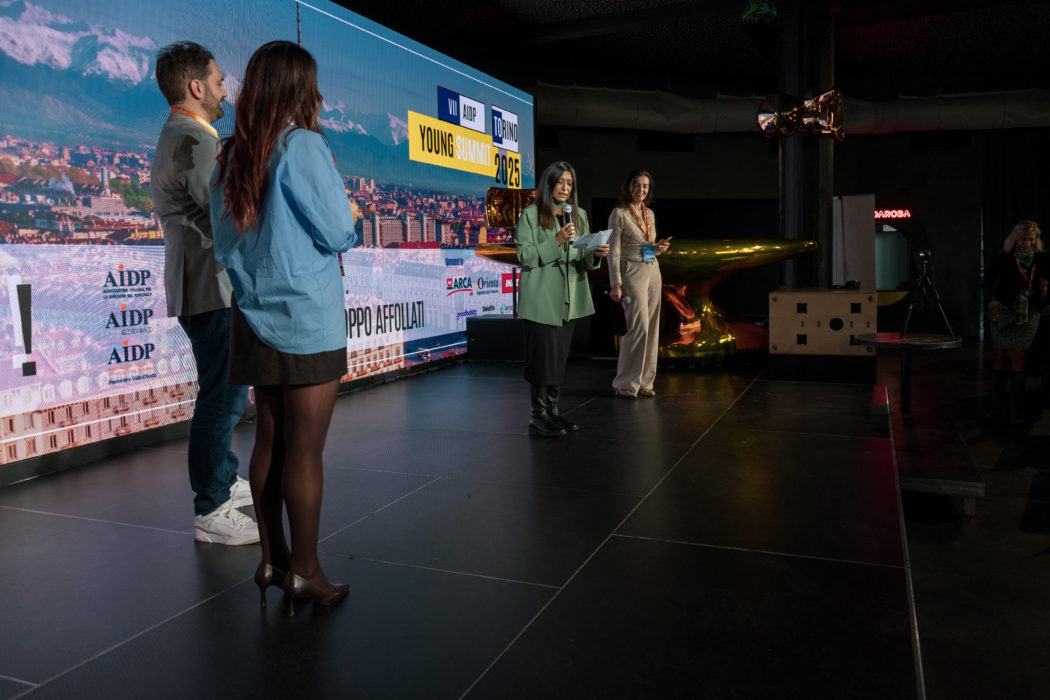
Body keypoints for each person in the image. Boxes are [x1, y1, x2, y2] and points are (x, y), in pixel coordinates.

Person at [210, 41, 357, 613]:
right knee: (306, 452)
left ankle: (272, 561)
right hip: (305, 318)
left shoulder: (231, 155)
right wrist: (351, 214)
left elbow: (225, 244)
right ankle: (307, 572)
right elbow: (338, 232)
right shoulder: (303, 146)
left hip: (251, 317)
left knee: (269, 441)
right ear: (299, 88)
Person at [150, 42, 256, 545]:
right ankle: (211, 507)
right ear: (196, 87)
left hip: (204, 285)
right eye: (217, 82)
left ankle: (223, 480)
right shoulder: (193, 140)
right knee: (222, 398)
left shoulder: (182, 135)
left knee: (223, 393)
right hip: (210, 287)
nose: (224, 92)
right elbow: (229, 215)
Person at [514, 161, 609, 437]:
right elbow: (525, 256)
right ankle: (538, 416)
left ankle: (553, 412)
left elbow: (583, 258)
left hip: (569, 298)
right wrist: (555, 241)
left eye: (570, 183)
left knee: (558, 359)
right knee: (542, 360)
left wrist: (595, 253)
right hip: (541, 299)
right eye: (560, 182)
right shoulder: (531, 214)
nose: (565, 187)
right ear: (549, 183)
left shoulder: (578, 215)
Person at [607, 170, 671, 398]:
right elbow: (614, 251)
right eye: (637, 185)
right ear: (628, 187)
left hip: (652, 270)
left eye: (645, 186)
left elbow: (647, 246)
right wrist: (616, 283)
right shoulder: (619, 213)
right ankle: (624, 383)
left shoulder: (650, 213)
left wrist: (657, 249)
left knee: (652, 328)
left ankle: (644, 382)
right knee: (639, 327)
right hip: (631, 271)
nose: (641, 190)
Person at [985, 220, 1047, 425]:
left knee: (1019, 356)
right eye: (1022, 239)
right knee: (1001, 356)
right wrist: (991, 300)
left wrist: (1044, 292)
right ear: (1014, 239)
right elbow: (988, 283)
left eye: (1031, 239)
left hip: (1029, 313)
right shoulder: (1003, 257)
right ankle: (996, 405)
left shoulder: (1042, 258)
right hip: (1003, 311)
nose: (1026, 244)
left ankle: (1015, 409)